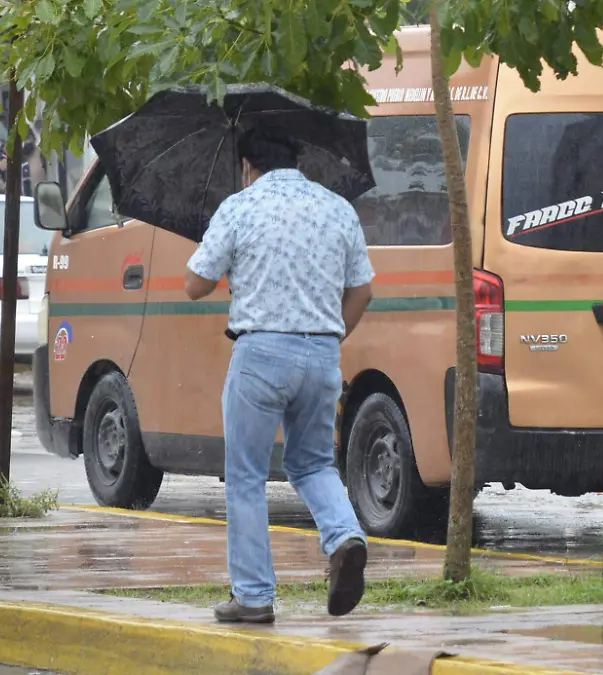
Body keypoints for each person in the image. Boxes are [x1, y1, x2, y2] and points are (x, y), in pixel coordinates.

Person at [184, 125, 376, 624]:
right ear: (297, 162)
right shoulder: (338, 209)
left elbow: (194, 285)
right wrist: (333, 336)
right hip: (322, 354)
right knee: (313, 464)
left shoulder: (240, 207)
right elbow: (362, 291)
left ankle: (252, 596)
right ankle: (345, 536)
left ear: (248, 165)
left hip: (261, 354)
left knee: (246, 476)